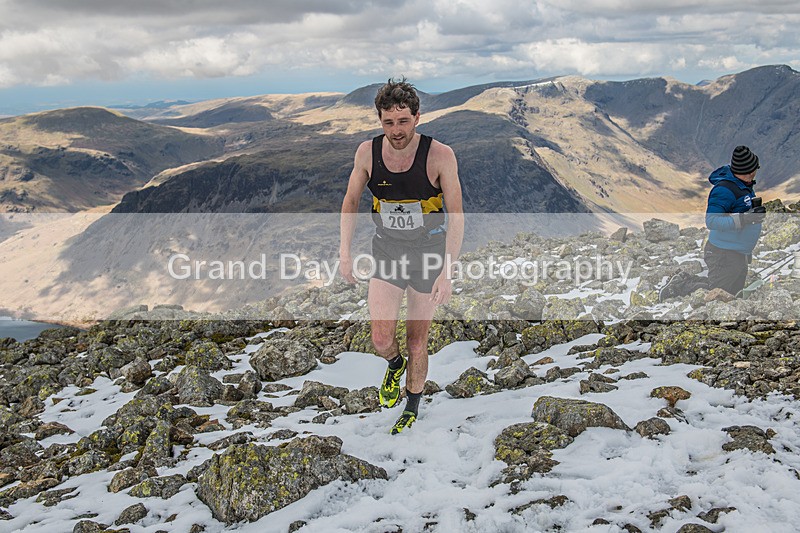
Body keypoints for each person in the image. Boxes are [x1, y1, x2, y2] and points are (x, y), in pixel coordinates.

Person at [339, 77, 464, 434]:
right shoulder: (367, 153)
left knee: (417, 340)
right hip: (388, 249)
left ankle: (411, 404)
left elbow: (456, 215)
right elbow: (350, 201)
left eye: (403, 121)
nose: (396, 130)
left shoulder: (440, 156)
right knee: (380, 337)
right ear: (380, 120)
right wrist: (344, 253)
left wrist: (447, 272)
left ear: (417, 117)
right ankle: (394, 365)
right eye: (388, 122)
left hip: (428, 252)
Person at [659, 145, 766, 301]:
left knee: (734, 295)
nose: (756, 171)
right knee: (716, 293)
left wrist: (754, 216)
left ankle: (684, 280)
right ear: (748, 171)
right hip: (723, 253)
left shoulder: (744, 186)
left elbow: (740, 211)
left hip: (737, 253)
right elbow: (712, 221)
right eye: (755, 168)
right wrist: (744, 219)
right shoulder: (724, 190)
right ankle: (679, 286)